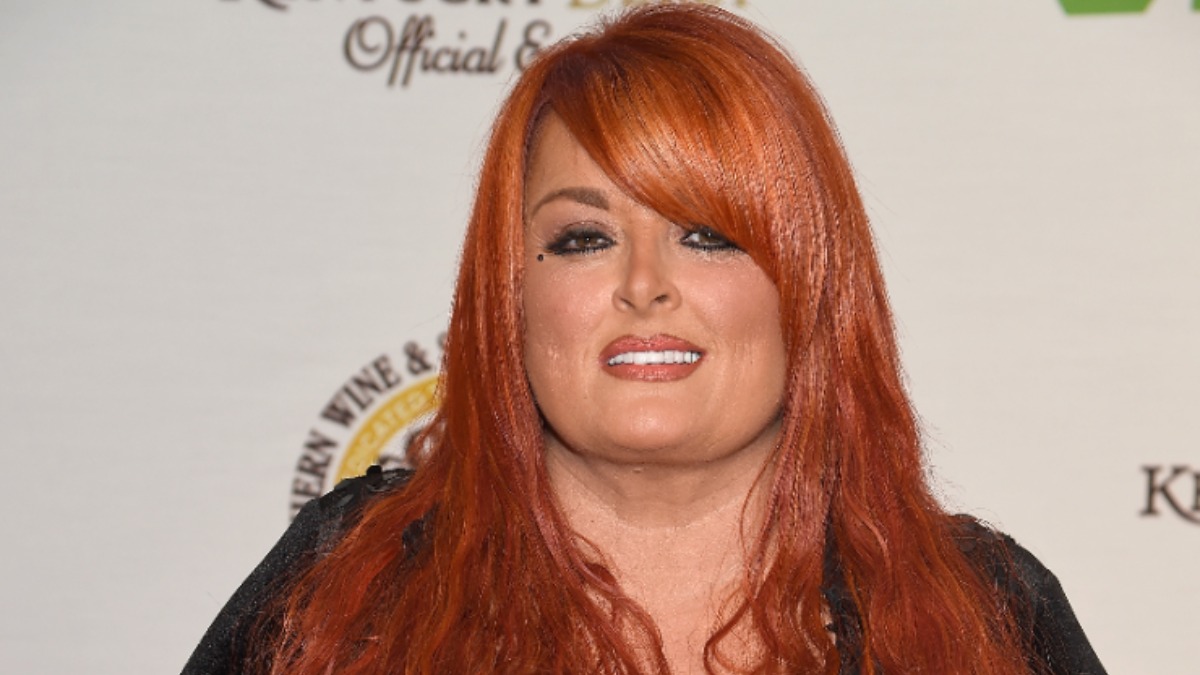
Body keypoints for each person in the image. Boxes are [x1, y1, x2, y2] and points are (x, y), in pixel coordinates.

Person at [183, 5, 1107, 674]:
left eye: (707, 234)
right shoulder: (351, 576)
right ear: (510, 295)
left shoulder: (988, 609)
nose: (643, 284)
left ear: (808, 288)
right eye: (583, 239)